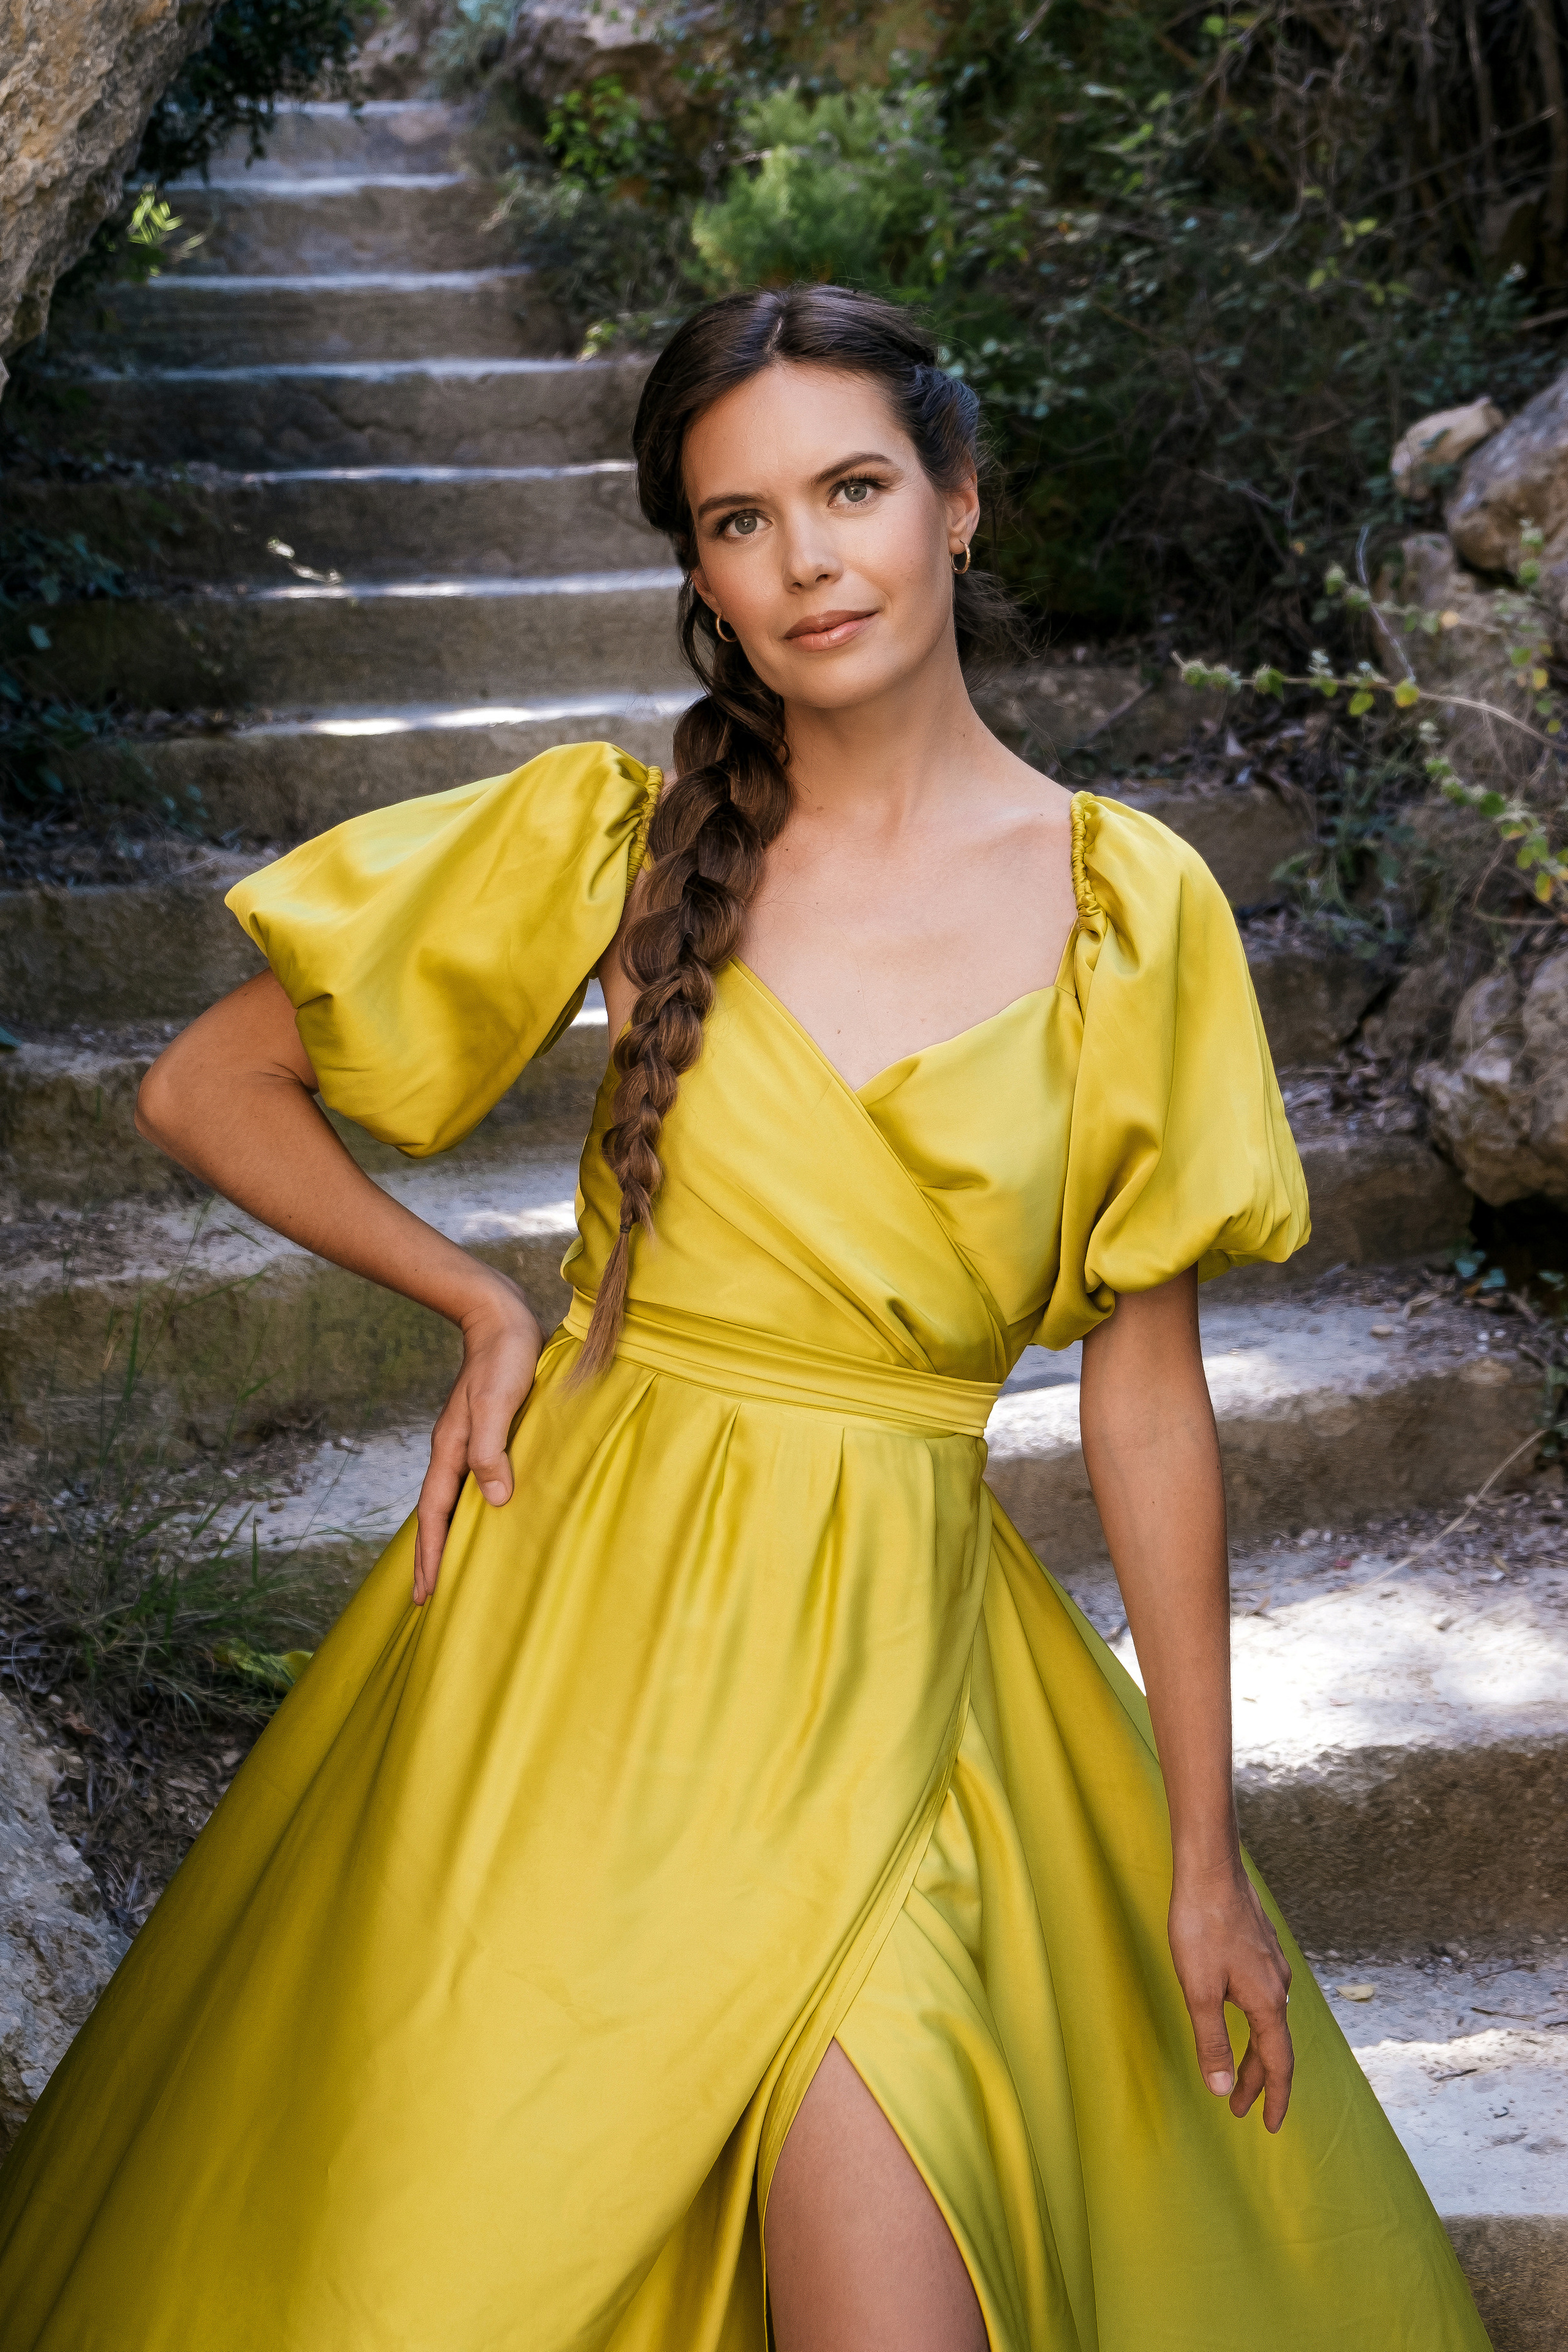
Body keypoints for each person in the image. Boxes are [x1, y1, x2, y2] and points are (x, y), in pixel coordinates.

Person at [0, 284, 1488, 2351]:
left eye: (853, 489)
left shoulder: (1128, 906)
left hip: (908, 1670)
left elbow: (1149, 1401)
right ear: (700, 570)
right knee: (446, 2261)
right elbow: (205, 1086)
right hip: (582, 1650)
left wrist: (1202, 1850)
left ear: (959, 500)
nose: (806, 561)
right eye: (738, 520)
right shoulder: (619, 846)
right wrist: (479, 1304)